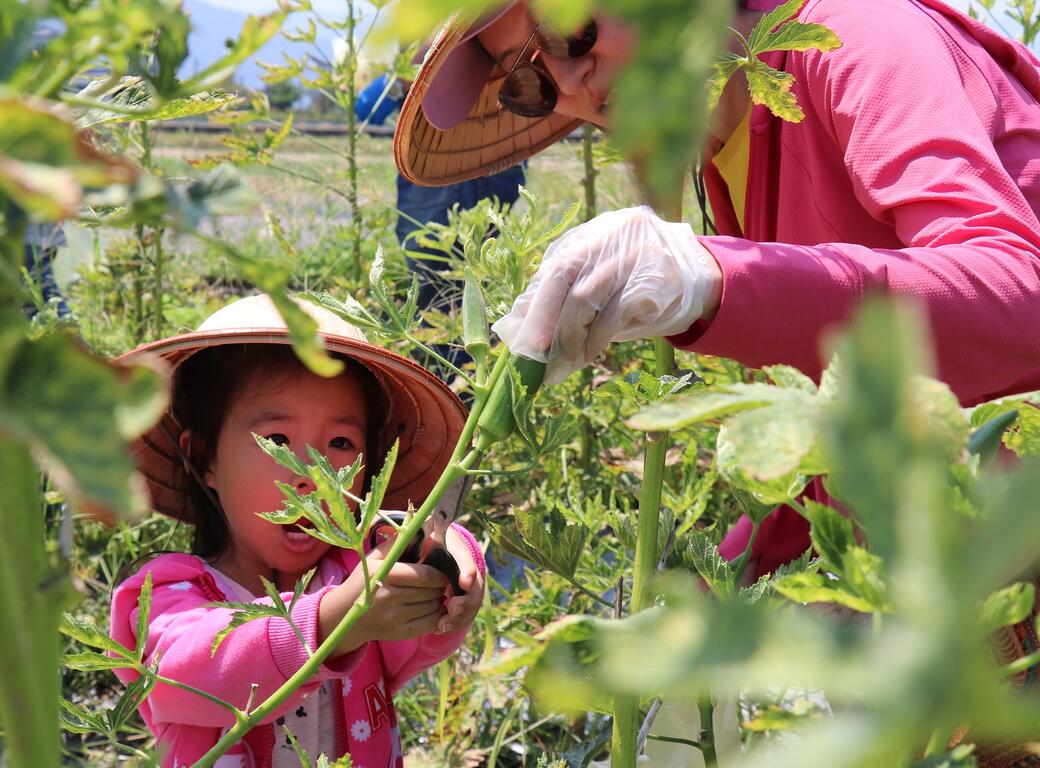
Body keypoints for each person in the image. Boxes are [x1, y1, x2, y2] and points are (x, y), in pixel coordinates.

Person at [394, 0, 1040, 579]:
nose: (569, 79)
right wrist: (708, 589)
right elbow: (833, 413)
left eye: (567, 30)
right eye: (528, 84)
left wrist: (715, 278)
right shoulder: (730, 146)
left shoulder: (857, 36)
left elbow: (1020, 298)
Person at [109, 294, 486, 768]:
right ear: (204, 458)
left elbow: (421, 626)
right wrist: (331, 620)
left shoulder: (358, 569)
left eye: (341, 442)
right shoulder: (166, 594)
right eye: (277, 440)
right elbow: (183, 674)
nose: (313, 474)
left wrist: (445, 562)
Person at [356, 72, 526, 373]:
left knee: (448, 279)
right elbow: (367, 109)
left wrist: (415, 74)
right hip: (441, 160)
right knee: (444, 279)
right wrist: (398, 80)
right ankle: (455, 377)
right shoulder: (406, 56)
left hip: (465, 157)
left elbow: (368, 109)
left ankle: (455, 382)